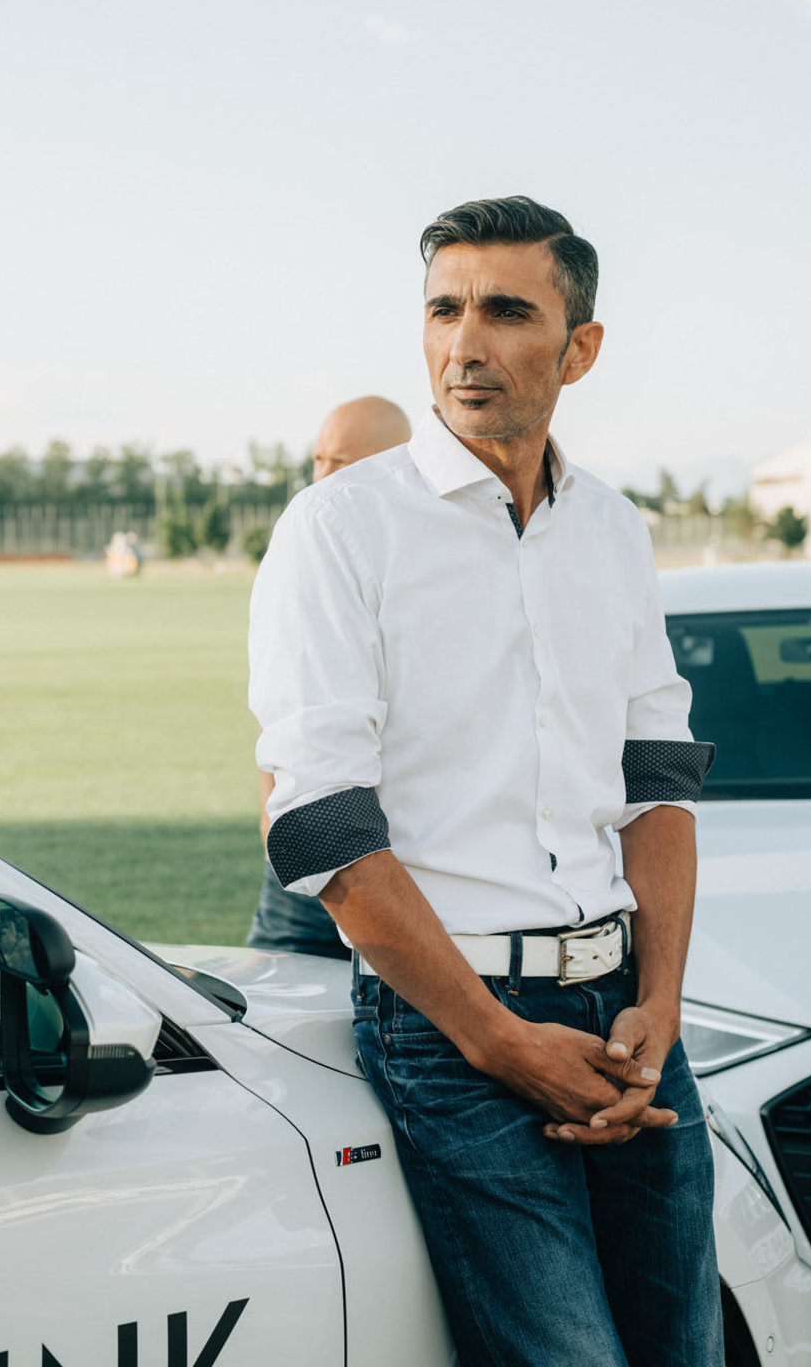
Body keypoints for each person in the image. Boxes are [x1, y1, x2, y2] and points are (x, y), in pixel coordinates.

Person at [249, 196, 721, 1366]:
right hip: (452, 1035)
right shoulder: (339, 530)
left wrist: (656, 1008)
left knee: (687, 1353)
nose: (463, 343)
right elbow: (321, 828)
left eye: (505, 311)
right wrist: (503, 1044)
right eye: (442, 309)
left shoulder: (611, 529)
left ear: (579, 349)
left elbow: (656, 789)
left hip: (623, 1019)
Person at [245, 395, 410, 958]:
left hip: (413, 873)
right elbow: (281, 710)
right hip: (309, 864)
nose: (321, 477)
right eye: (318, 459)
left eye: (338, 462)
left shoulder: (426, 559)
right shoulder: (306, 545)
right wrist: (274, 824)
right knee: (272, 1026)